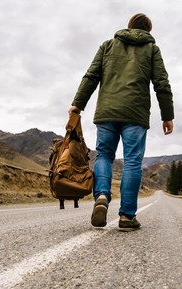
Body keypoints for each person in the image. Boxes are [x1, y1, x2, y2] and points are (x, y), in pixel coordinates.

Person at [69, 13, 174, 231]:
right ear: (148, 32)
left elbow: (91, 76)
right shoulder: (151, 49)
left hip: (107, 111)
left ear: (129, 27)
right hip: (135, 113)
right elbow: (161, 83)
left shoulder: (108, 46)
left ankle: (102, 196)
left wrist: (77, 105)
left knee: (104, 155)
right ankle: (127, 217)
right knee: (133, 160)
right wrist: (167, 115)